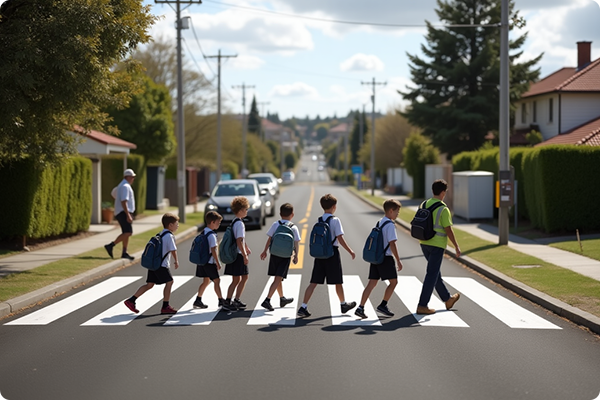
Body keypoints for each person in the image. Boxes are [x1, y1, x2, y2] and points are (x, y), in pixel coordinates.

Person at [297, 194, 356, 318]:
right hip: (332, 254)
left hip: (320, 255)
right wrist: (350, 250)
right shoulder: (335, 220)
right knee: (337, 281)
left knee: (313, 282)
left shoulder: (319, 220)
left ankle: (303, 306)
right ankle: (343, 304)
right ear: (334, 207)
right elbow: (340, 238)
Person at [416, 179, 461, 315]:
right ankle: (422, 305)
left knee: (434, 273)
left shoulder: (423, 204)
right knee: (431, 274)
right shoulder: (443, 208)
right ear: (443, 192)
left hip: (424, 243)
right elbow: (448, 230)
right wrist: (456, 247)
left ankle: (447, 299)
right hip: (437, 245)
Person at [355, 199, 404, 319]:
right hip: (386, 258)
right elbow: (392, 244)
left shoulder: (380, 222)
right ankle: (383, 305)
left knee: (371, 283)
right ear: (391, 211)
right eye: (397, 211)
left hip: (376, 257)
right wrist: (398, 260)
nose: (398, 214)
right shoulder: (390, 225)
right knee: (394, 282)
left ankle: (360, 307)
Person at [124, 213, 180, 315]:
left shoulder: (161, 233)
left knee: (149, 285)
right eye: (176, 223)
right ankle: (165, 306)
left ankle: (131, 300)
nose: (178, 225)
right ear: (170, 225)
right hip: (161, 265)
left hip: (154, 264)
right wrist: (176, 261)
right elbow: (173, 250)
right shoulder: (170, 236)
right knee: (170, 282)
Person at [259, 203, 300, 311]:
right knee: (278, 278)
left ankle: (282, 298)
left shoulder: (275, 224)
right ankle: (267, 300)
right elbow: (296, 243)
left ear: (280, 214)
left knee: (278, 278)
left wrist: (264, 251)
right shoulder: (293, 227)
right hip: (285, 256)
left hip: (274, 254)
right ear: (292, 214)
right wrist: (296, 255)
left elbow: (269, 239)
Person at [194, 211, 234, 311]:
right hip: (209, 262)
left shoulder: (204, 231)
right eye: (218, 222)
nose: (219, 224)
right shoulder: (211, 235)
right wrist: (217, 262)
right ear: (212, 222)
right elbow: (213, 249)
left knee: (206, 280)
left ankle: (198, 299)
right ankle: (221, 300)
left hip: (202, 261)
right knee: (217, 280)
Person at [224, 196, 252, 311]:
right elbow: (239, 240)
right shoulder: (239, 223)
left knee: (244, 277)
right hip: (238, 255)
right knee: (236, 279)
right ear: (240, 210)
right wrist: (245, 254)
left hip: (237, 253)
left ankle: (236, 300)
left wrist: (246, 247)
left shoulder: (235, 221)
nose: (246, 211)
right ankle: (228, 301)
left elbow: (240, 239)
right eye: (245, 209)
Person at [104, 168, 137, 260]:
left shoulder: (121, 185)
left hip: (122, 212)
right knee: (128, 232)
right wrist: (128, 214)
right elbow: (124, 201)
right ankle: (111, 245)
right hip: (123, 212)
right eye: (132, 177)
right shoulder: (125, 186)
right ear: (128, 177)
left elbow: (113, 194)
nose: (133, 179)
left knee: (125, 232)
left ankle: (124, 252)